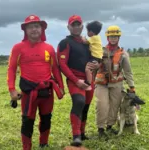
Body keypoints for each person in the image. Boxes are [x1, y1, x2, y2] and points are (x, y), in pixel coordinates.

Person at [7, 14, 65, 150]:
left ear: (42, 29)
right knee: (27, 120)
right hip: (28, 92)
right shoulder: (18, 48)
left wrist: (61, 86)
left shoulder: (49, 48)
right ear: (25, 30)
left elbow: (55, 69)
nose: (34, 29)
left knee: (46, 118)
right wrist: (12, 89)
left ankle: (43, 143)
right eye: (30, 27)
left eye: (37, 26)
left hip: (47, 91)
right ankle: (26, 147)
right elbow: (11, 69)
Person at [57, 15, 99, 147]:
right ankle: (76, 136)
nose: (76, 27)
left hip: (89, 79)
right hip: (75, 79)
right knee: (79, 102)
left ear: (82, 26)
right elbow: (62, 64)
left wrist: (97, 65)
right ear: (68, 27)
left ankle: (82, 133)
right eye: (73, 25)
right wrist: (75, 80)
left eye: (78, 25)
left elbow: (95, 57)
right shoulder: (65, 43)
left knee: (85, 106)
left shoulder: (87, 42)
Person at [94, 25, 136, 138]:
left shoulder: (123, 54)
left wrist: (132, 87)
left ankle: (110, 126)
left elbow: (128, 71)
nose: (113, 38)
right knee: (102, 105)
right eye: (111, 36)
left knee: (115, 106)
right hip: (101, 83)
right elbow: (93, 67)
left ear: (119, 38)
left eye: (115, 36)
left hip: (116, 83)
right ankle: (101, 129)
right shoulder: (100, 51)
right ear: (108, 38)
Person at [81, 21, 103, 91]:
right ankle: (92, 82)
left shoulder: (93, 38)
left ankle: (88, 82)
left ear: (91, 31)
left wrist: (82, 38)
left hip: (95, 57)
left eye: (87, 31)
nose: (87, 33)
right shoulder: (98, 37)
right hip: (98, 58)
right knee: (92, 70)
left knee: (87, 69)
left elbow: (85, 42)